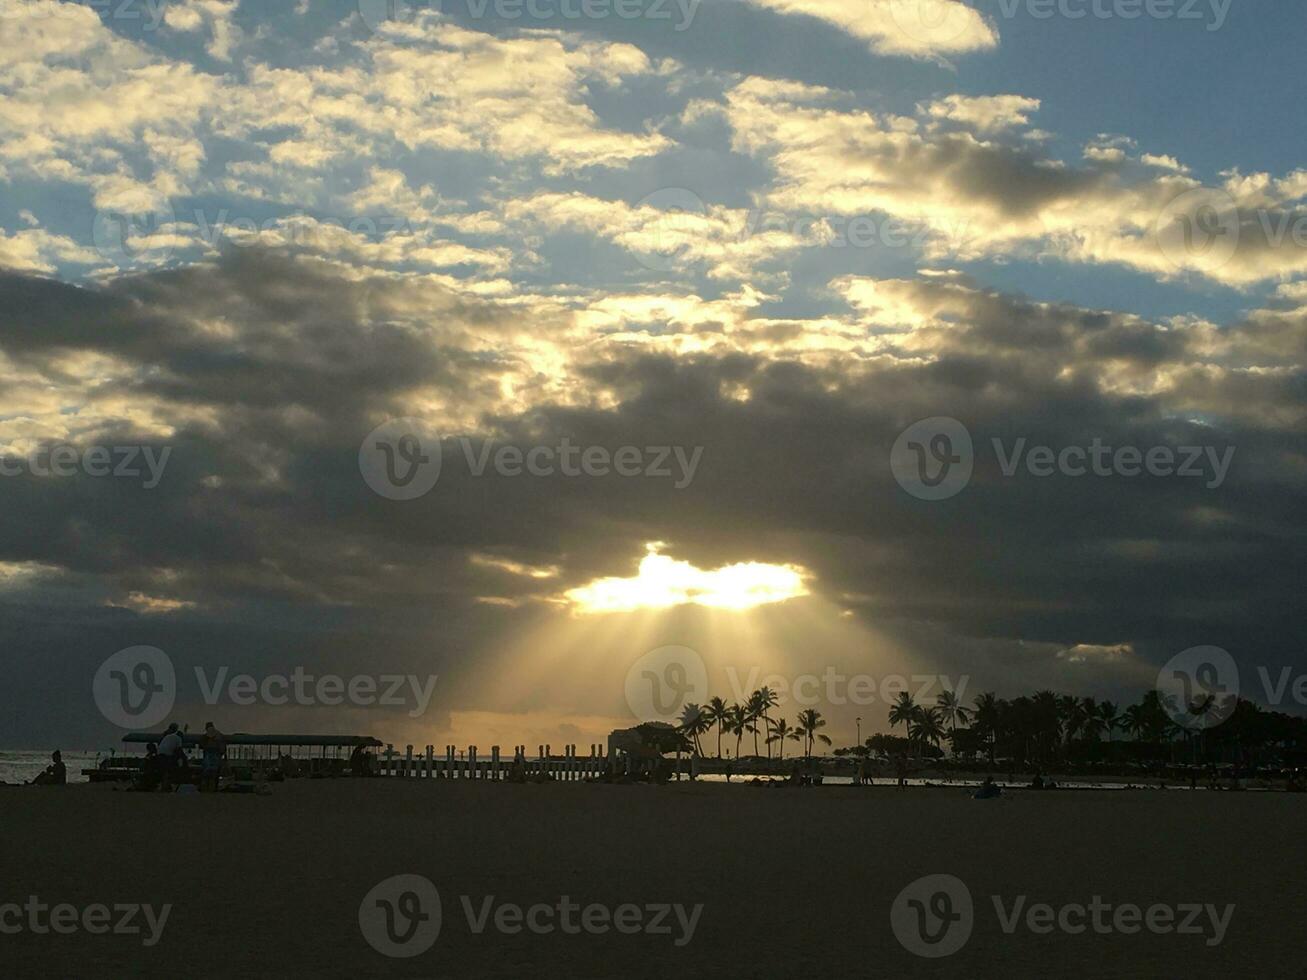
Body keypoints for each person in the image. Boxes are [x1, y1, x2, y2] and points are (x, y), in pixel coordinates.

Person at [199, 722, 226, 792]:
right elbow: (223, 748)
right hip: (217, 755)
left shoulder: (205, 736)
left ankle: (205, 789)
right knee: (215, 773)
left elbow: (201, 745)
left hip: (208, 755)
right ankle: (213, 789)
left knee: (206, 773)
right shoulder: (220, 735)